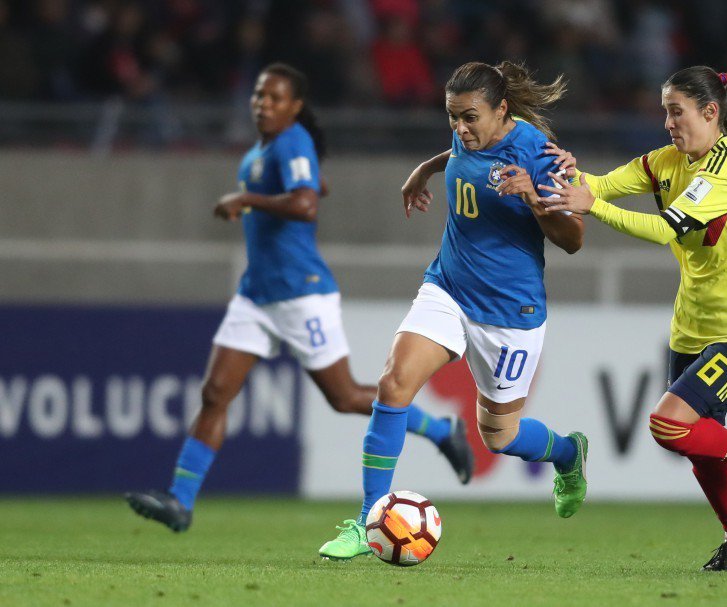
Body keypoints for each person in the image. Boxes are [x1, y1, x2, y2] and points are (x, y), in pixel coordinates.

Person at [125, 63, 473, 533]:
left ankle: (441, 430)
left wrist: (247, 200)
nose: (263, 104)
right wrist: (291, 187)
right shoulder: (264, 150)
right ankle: (180, 501)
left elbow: (306, 203)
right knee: (214, 393)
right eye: (258, 96)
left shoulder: (293, 141)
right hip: (256, 295)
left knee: (345, 397)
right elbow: (310, 187)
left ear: (295, 106)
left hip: (300, 293)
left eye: (274, 98)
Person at [539, 66, 727, 571]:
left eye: (677, 112)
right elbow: (599, 185)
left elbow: (665, 229)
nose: (668, 122)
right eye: (665, 112)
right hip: (690, 327)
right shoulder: (664, 162)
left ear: (710, 112)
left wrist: (593, 206)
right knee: (698, 444)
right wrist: (569, 174)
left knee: (668, 424)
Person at [317, 61, 588, 561]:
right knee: (393, 385)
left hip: (509, 310)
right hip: (448, 288)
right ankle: (367, 521)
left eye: (470, 118)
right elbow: (461, 154)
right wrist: (424, 169)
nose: (461, 129)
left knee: (500, 436)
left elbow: (574, 239)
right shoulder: (469, 136)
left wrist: (533, 197)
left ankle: (569, 452)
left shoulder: (541, 155)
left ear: (501, 110)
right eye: (452, 117)